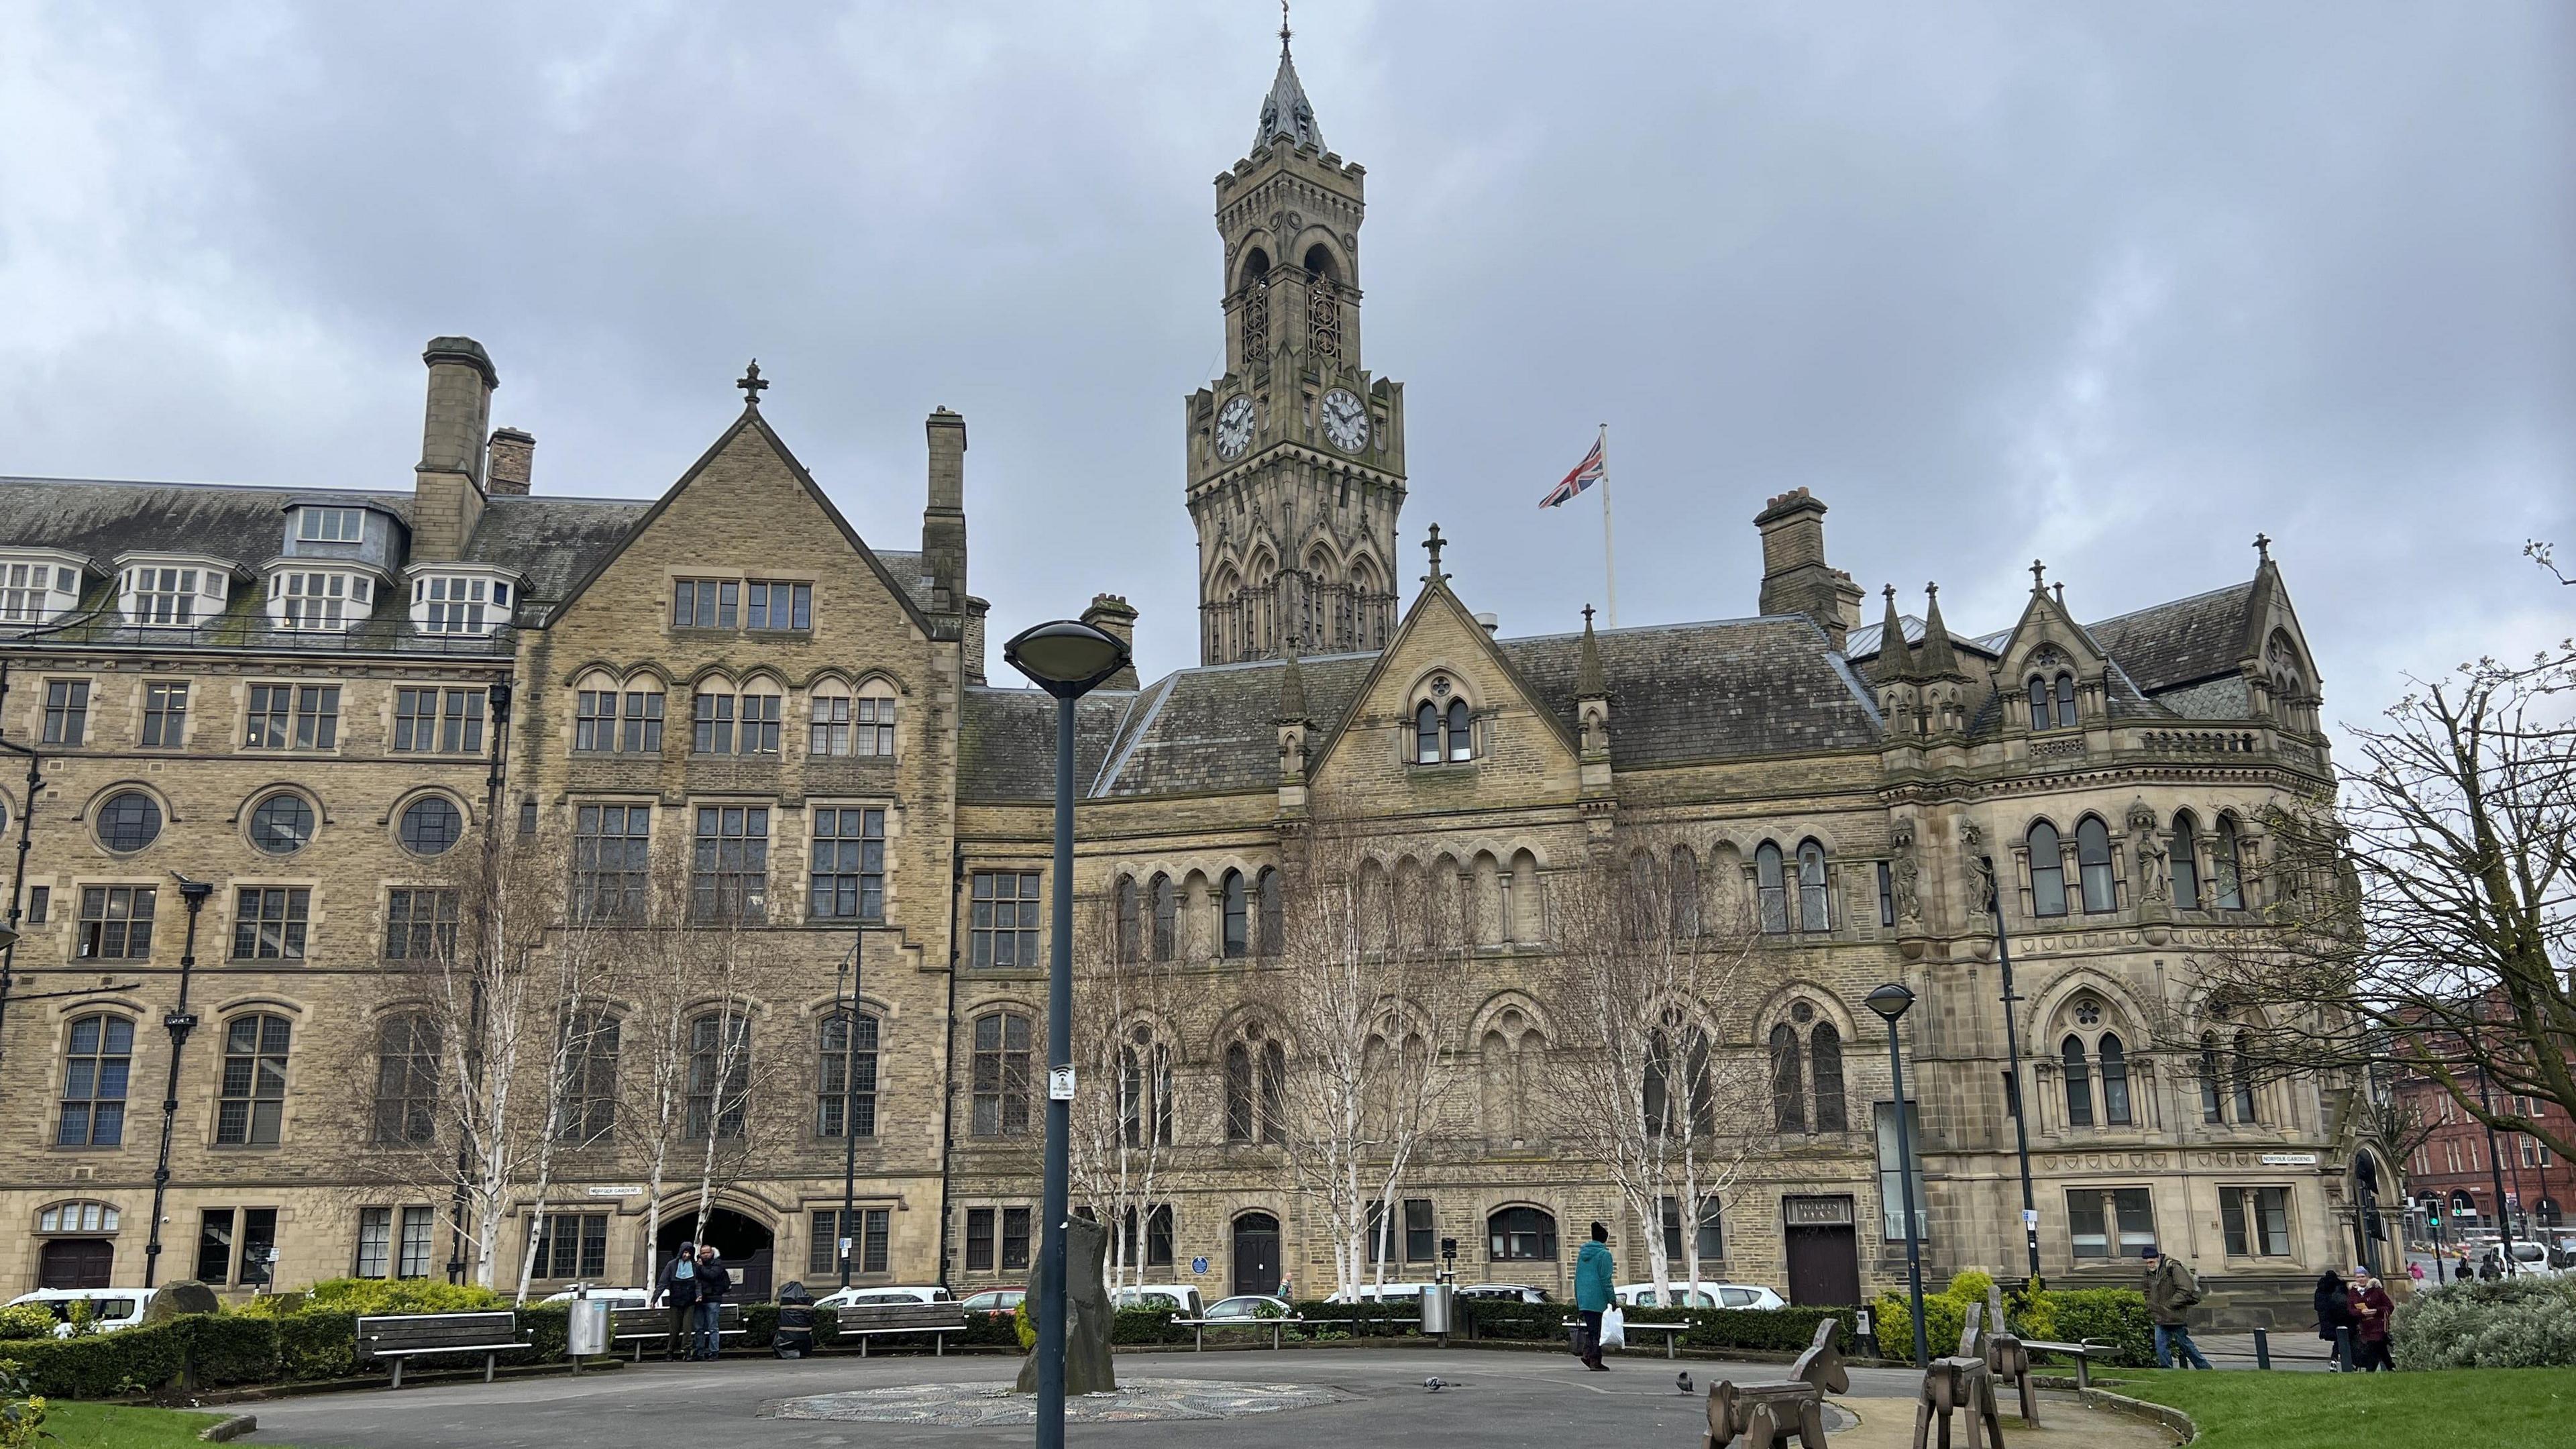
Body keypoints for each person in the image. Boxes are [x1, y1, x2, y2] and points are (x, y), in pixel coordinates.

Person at [2141, 1246, 2212, 1369]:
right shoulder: (2148, 1272)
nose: (2150, 1265)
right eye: (2147, 1263)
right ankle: (2167, 1370)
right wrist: (2150, 1304)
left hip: (2175, 1314)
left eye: (2151, 1262)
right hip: (2160, 1315)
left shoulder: (2173, 1268)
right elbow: (2146, 1289)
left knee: (2184, 1343)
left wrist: (2170, 1305)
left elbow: (2186, 1289)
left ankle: (2204, 1367)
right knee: (2161, 1345)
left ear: (2158, 1258)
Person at [1573, 1221, 1615, 1372]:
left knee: (1592, 1329)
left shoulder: (1582, 1255)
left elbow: (1576, 1278)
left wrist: (1578, 1300)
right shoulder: (1604, 1255)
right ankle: (1594, 1360)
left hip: (1584, 1298)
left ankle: (1588, 1355)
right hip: (1598, 1299)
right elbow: (1606, 1280)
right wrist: (1612, 1299)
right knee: (1598, 1330)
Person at [653, 1241, 698, 1362]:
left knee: (688, 1328)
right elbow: (662, 1283)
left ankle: (687, 1351)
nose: (687, 1255)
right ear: (681, 1252)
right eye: (685, 1252)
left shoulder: (694, 1266)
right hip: (676, 1300)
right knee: (674, 1329)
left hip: (689, 1300)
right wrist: (655, 1299)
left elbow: (698, 1283)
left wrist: (699, 1295)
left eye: (689, 1253)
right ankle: (670, 1350)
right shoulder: (672, 1265)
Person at [2349, 1269, 2396, 1371]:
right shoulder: (2353, 1293)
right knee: (2382, 1350)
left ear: (2367, 1277)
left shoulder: (2377, 1291)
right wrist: (2361, 1312)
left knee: (2373, 1348)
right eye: (2358, 1277)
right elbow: (2351, 1310)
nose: (2361, 1279)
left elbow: (2390, 1307)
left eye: (2363, 1277)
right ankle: (2392, 1368)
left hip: (2378, 1326)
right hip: (2364, 1327)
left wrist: (2376, 1311)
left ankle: (2370, 1372)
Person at [692, 1244, 731, 1360]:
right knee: (699, 1328)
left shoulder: (717, 1264)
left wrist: (700, 1267)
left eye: (707, 1252)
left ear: (712, 1253)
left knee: (712, 1327)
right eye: (703, 1253)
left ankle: (714, 1352)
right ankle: (699, 1352)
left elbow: (711, 1275)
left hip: (713, 1298)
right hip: (700, 1299)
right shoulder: (697, 1265)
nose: (705, 1255)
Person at [2314, 1269, 2353, 1371]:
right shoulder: (2338, 1288)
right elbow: (2343, 1303)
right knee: (2345, 1337)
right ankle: (2344, 1360)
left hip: (2327, 1321)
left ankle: (2335, 1359)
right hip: (2340, 1319)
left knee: (2339, 1340)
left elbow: (2317, 1306)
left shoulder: (2320, 1289)